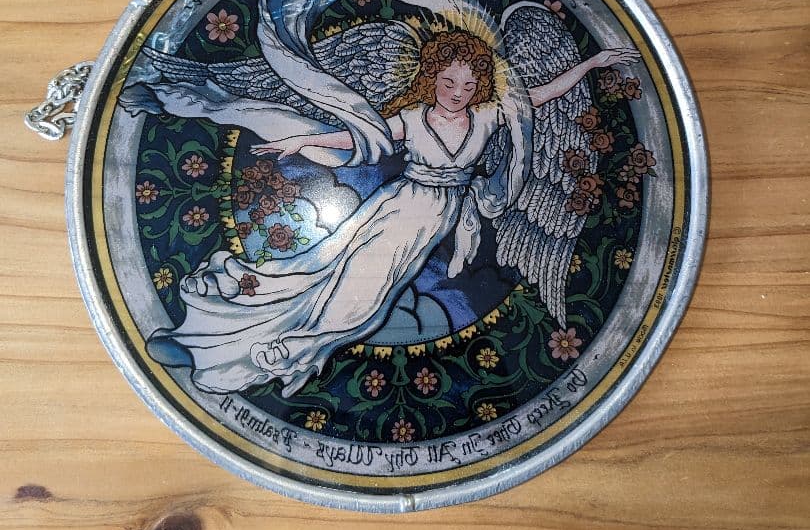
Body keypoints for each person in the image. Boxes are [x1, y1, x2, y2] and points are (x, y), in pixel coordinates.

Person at [147, 26, 635, 398]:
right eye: (449, 81)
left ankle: (274, 339)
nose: (457, 92)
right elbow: (355, 138)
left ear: (479, 86)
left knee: (363, 288)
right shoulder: (412, 119)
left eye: (468, 85)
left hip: (433, 218)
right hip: (399, 205)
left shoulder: (488, 117)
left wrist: (593, 62)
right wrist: (299, 141)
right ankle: (253, 317)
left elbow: (541, 95)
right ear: (433, 77)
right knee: (330, 266)